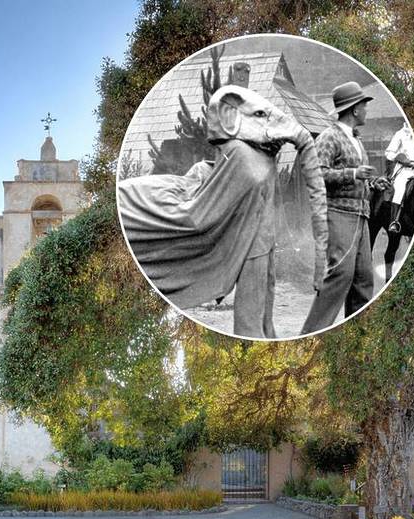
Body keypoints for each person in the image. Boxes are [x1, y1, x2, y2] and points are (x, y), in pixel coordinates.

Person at [119, 84, 327, 339]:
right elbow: (211, 210)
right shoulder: (241, 154)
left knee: (264, 315)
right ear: (231, 117)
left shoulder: (255, 153)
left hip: (263, 240)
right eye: (259, 115)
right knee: (251, 319)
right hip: (252, 244)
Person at [301, 81, 387, 334]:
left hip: (361, 217)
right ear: (354, 109)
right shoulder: (330, 137)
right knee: (340, 274)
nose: (367, 110)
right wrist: (353, 173)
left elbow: (357, 176)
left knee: (364, 280)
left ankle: (355, 339)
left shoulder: (356, 139)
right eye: (364, 105)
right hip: (338, 214)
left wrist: (372, 182)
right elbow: (316, 173)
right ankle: (311, 334)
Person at [383, 122, 414, 233]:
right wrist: (401, 157)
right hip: (405, 169)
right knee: (400, 189)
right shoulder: (400, 134)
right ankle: (394, 221)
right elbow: (388, 153)